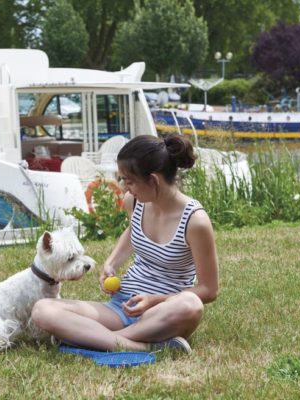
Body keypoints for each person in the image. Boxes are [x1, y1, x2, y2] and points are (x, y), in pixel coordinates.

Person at [31, 134, 219, 353]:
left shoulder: (195, 221)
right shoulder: (136, 201)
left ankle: (96, 339)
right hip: (120, 307)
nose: (124, 188)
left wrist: (154, 300)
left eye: (129, 181)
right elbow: (132, 233)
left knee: (191, 304)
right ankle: (140, 347)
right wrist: (111, 264)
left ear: (154, 180)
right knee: (42, 310)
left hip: (161, 313)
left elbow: (209, 290)